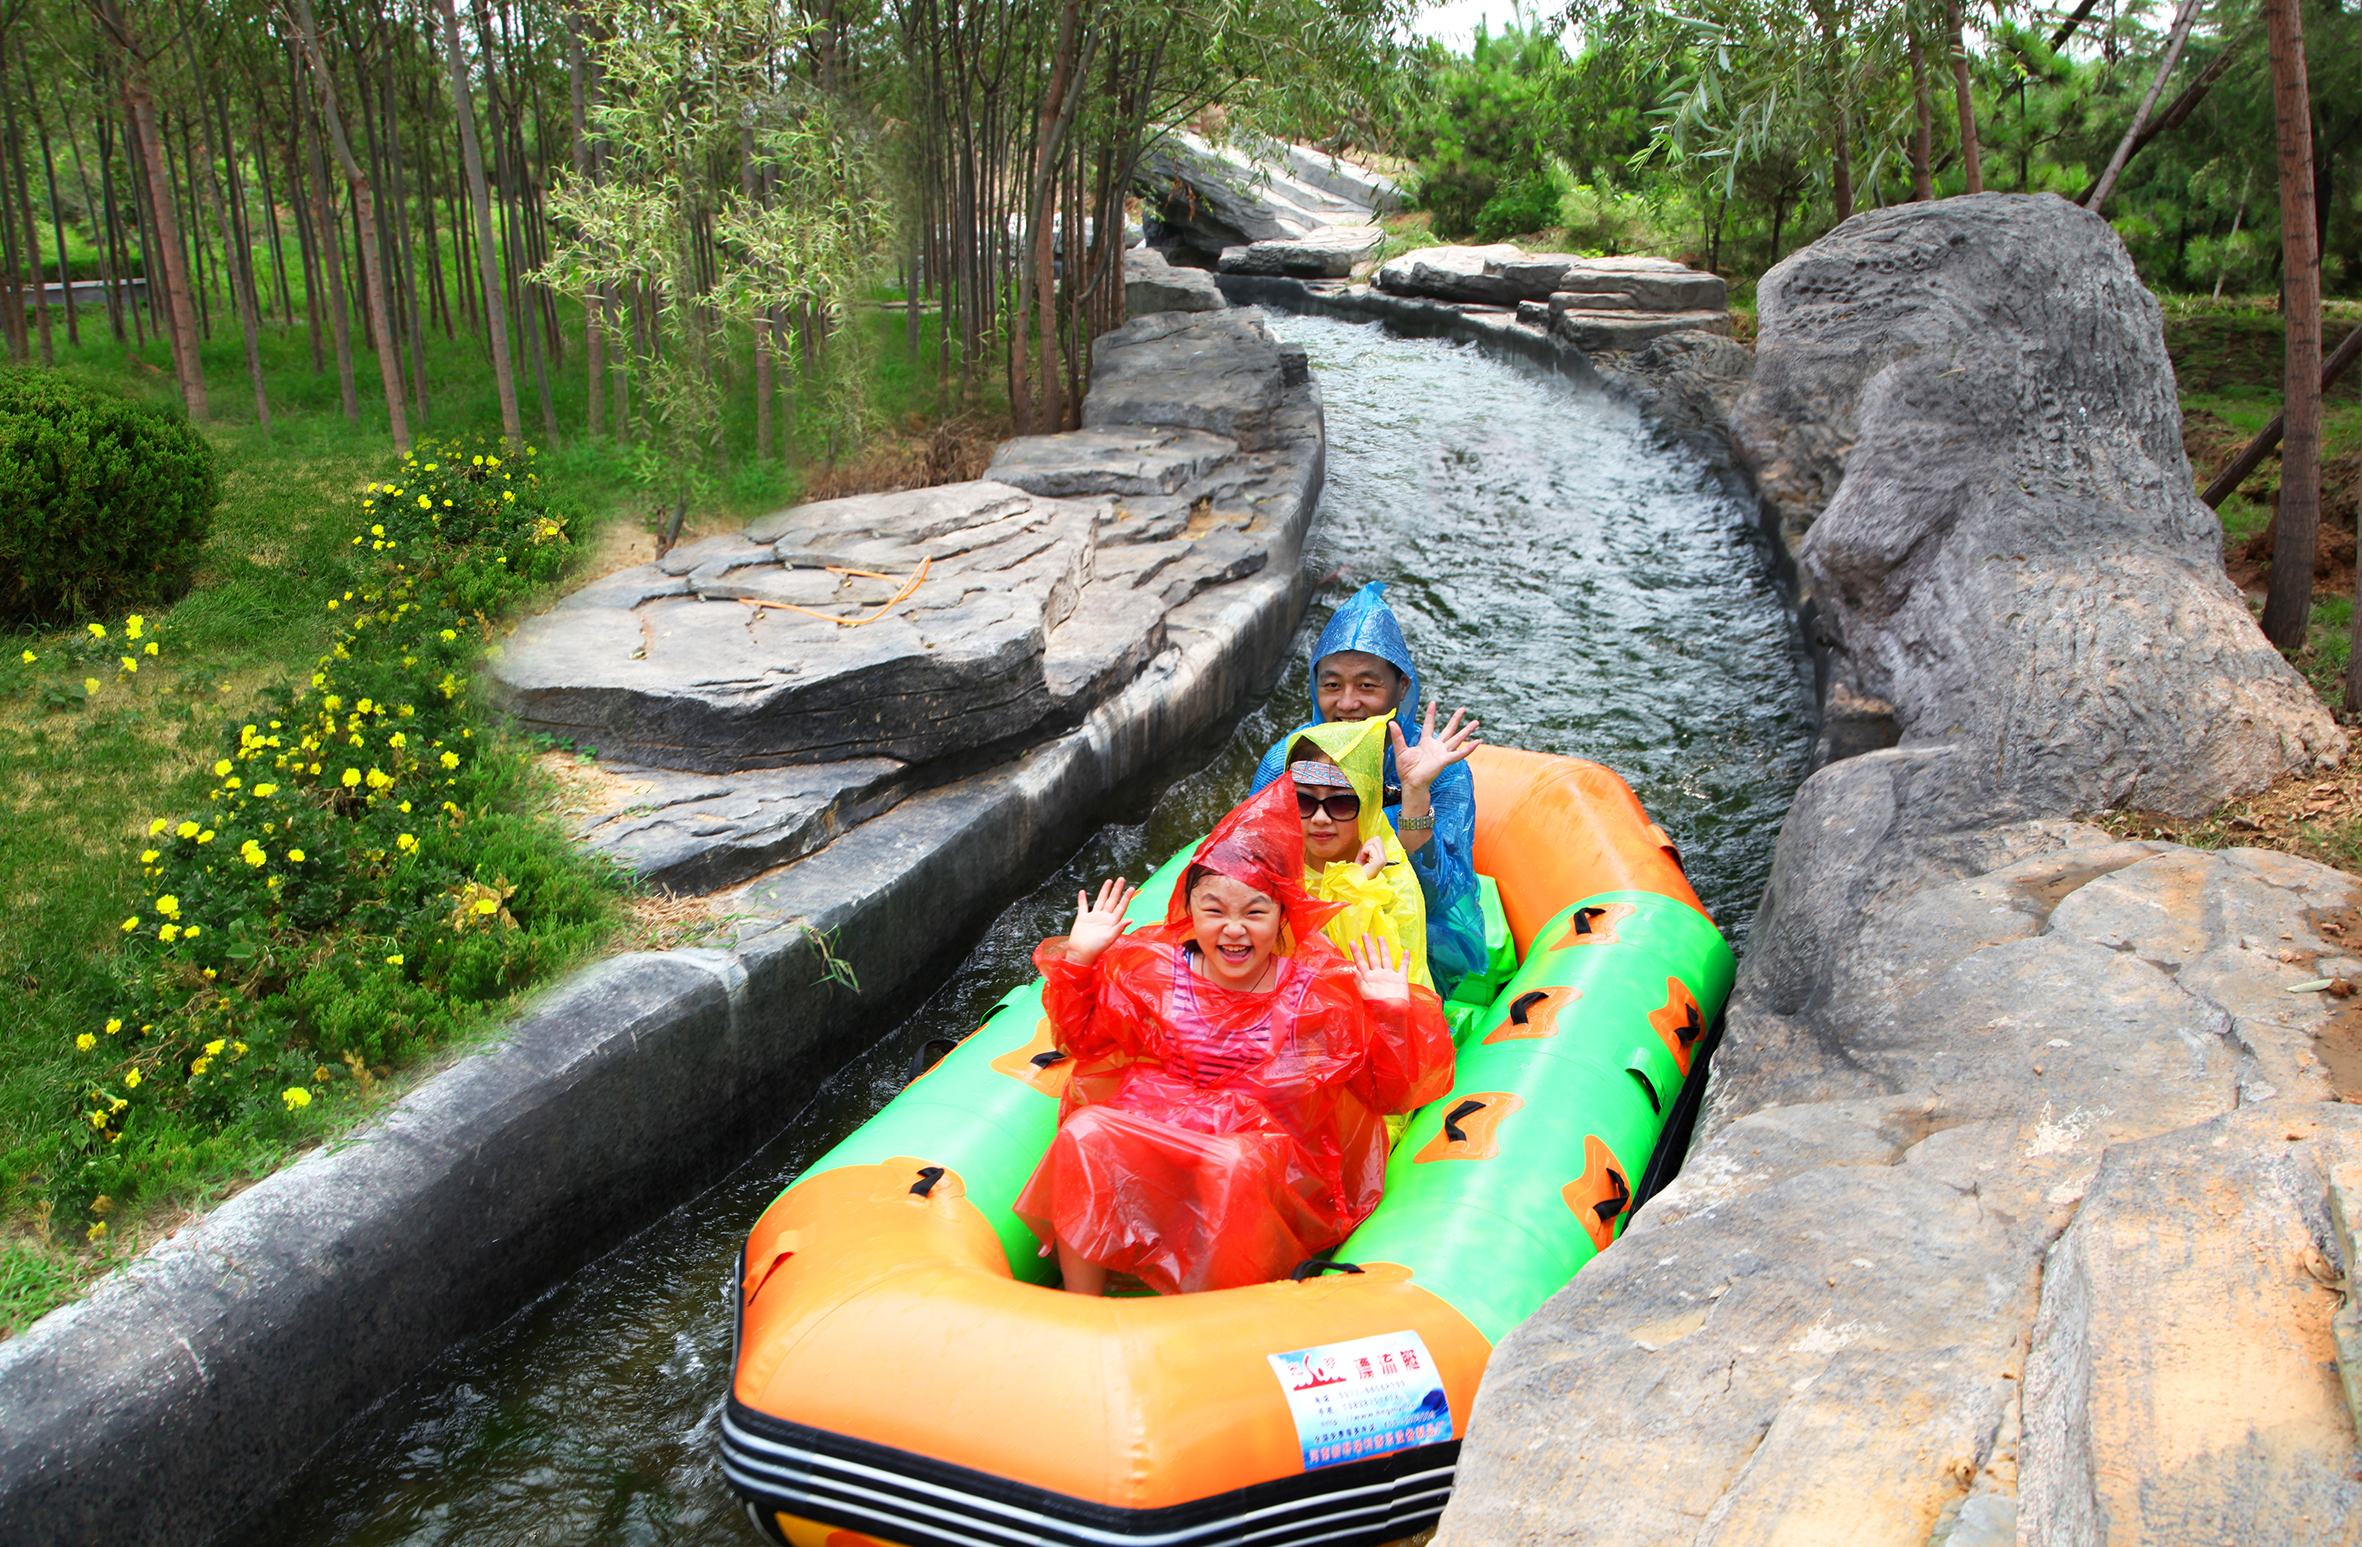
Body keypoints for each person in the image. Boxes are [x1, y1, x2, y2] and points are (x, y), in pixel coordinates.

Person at [1013, 781, 1455, 1297]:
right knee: (1086, 1130)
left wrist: (1391, 1013)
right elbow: (1084, 1040)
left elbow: (1389, 1095)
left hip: (1269, 1148)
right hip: (1159, 1114)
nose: (1233, 930)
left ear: (1283, 915)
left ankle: (1205, 1315)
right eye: (1215, 910)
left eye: (1254, 912)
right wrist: (1083, 960)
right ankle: (1078, 1303)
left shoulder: (1314, 992)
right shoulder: (1152, 968)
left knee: (1230, 1164)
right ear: (1190, 911)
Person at [1251, 582, 1486, 988]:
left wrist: (1414, 798)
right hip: (1311, 922)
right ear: (1314, 687)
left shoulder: (1440, 769)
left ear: (1402, 688)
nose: (1346, 703)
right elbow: (1253, 865)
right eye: (1332, 685)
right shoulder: (1286, 759)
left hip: (1415, 936)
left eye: (1366, 685)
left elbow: (1441, 897)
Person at [1290, 717, 1432, 992]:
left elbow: (1395, 991)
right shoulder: (1274, 864)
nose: (1320, 818)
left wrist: (1356, 888)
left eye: (1341, 803)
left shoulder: (1394, 882)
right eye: (1303, 800)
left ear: (1366, 806)